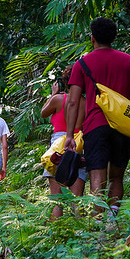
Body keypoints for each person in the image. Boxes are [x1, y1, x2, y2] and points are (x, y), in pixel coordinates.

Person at [64, 17, 130, 217]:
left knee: (97, 176)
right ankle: (112, 217)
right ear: (113, 38)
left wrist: (69, 135)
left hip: (95, 126)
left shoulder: (82, 64)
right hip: (123, 127)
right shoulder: (129, 61)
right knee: (117, 177)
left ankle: (99, 221)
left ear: (92, 38)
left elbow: (73, 102)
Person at [40, 65, 87, 219]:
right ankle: (82, 235)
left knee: (57, 199)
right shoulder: (87, 103)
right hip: (79, 144)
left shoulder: (59, 99)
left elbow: (43, 113)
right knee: (77, 199)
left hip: (58, 145)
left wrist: (52, 95)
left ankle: (56, 236)